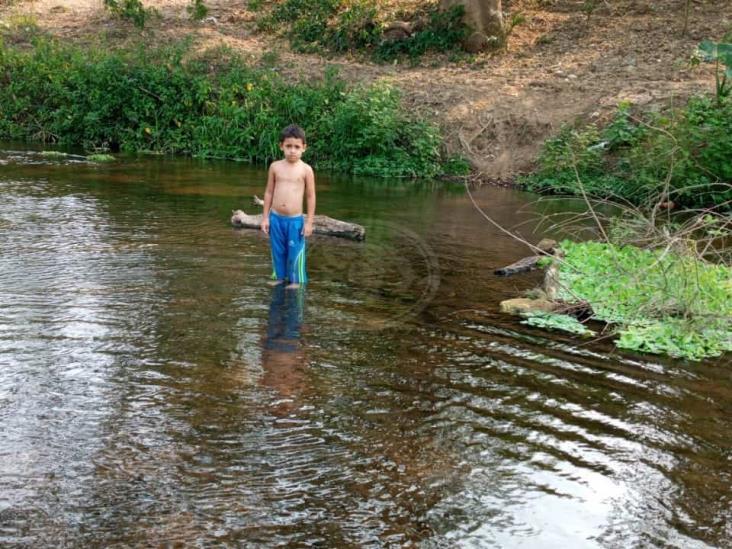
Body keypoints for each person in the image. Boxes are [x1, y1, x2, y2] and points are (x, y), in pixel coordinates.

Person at [260, 124, 316, 289]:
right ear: (281, 146)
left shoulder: (306, 170)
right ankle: (279, 276)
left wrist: (309, 222)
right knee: (277, 251)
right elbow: (269, 192)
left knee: (295, 252)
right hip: (276, 218)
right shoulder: (275, 167)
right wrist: (265, 218)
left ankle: (296, 281)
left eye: (297, 147)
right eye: (288, 146)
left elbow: (311, 196)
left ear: (304, 148)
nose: (292, 150)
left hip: (295, 221)